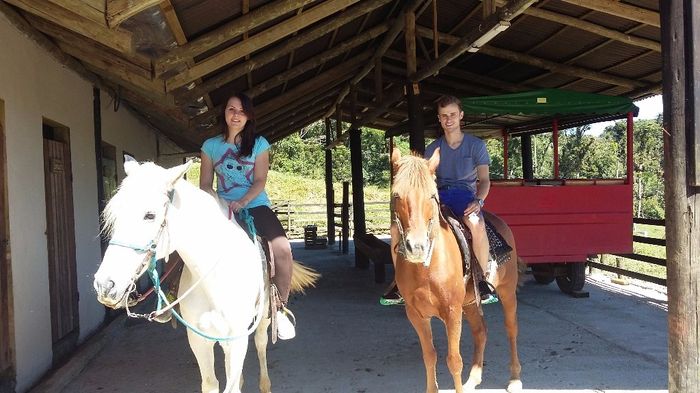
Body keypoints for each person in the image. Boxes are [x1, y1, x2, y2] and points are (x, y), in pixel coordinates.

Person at [199, 92, 297, 340]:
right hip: (223, 207)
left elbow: (260, 181)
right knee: (187, 242)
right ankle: (171, 294)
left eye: (242, 111)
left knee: (283, 249)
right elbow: (205, 184)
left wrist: (242, 201)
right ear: (224, 112)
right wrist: (222, 204)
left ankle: (280, 309)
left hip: (255, 205)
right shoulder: (210, 146)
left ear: (249, 116)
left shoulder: (259, 144)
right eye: (231, 109)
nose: (236, 115)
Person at [425, 94, 497, 304]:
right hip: (439, 196)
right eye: (444, 115)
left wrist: (479, 201)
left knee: (476, 225)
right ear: (439, 118)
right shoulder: (432, 149)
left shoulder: (476, 145)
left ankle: (482, 280)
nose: (449, 119)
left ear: (461, 115)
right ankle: (404, 281)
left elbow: (484, 180)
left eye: (453, 115)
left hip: (465, 196)